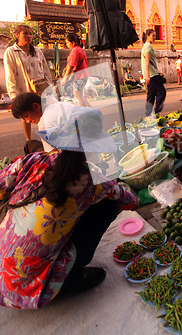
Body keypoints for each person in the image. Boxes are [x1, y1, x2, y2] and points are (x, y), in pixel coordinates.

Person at [0, 106, 138, 309]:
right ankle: (70, 278)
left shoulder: (32, 161)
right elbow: (129, 201)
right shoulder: (94, 183)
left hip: (3, 279)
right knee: (108, 206)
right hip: (31, 291)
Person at [3, 24, 52, 141]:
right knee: (26, 116)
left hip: (40, 89)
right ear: (17, 35)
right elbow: (10, 74)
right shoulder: (11, 52)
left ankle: (48, 139)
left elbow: (45, 70)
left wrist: (50, 88)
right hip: (23, 89)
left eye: (30, 34)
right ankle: (28, 140)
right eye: (25, 33)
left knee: (44, 114)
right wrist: (14, 96)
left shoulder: (38, 51)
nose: (29, 36)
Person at [11, 92, 75, 154]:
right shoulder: (63, 104)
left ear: (36, 106)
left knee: (29, 145)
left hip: (74, 157)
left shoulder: (44, 122)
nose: (28, 121)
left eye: (26, 116)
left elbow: (52, 155)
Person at [141, 28, 166, 115]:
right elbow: (147, 61)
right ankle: (156, 111)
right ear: (147, 36)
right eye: (153, 35)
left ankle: (148, 113)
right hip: (152, 74)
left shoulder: (145, 46)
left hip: (150, 73)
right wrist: (147, 75)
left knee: (151, 94)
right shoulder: (148, 46)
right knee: (162, 92)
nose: (154, 37)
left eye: (155, 35)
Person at [61, 33, 90, 107]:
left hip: (79, 76)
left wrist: (65, 79)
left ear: (73, 42)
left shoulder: (75, 51)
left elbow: (71, 65)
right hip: (84, 75)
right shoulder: (80, 49)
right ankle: (90, 110)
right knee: (80, 95)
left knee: (77, 95)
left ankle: (85, 112)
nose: (67, 44)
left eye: (67, 42)